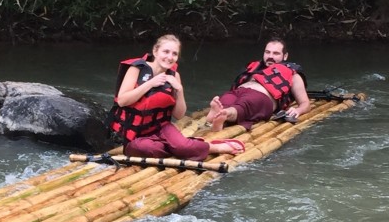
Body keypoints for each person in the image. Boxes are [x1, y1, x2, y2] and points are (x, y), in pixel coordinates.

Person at [108, 34, 245, 160]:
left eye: (174, 54)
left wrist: (179, 90)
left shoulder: (175, 76)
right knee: (144, 149)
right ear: (155, 51)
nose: (170, 57)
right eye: (166, 51)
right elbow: (122, 101)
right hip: (137, 134)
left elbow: (179, 115)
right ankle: (189, 147)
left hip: (162, 128)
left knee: (181, 147)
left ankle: (211, 147)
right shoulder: (136, 69)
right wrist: (150, 84)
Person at [205, 38, 310, 132]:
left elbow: (305, 103)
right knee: (227, 99)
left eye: (276, 53)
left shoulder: (293, 75)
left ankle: (225, 114)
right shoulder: (255, 67)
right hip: (239, 92)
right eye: (267, 52)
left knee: (244, 105)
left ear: (285, 56)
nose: (270, 56)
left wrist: (298, 110)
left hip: (261, 98)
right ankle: (218, 116)